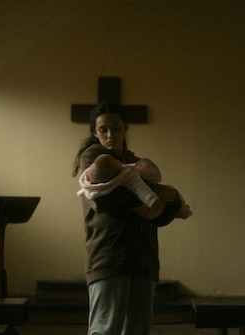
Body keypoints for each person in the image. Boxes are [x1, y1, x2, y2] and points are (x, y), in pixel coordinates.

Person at [72, 102, 187, 335]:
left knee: (138, 330)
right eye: (103, 129)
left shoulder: (140, 165)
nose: (110, 134)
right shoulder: (94, 159)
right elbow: (102, 198)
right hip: (109, 257)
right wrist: (143, 199)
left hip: (144, 260)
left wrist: (173, 200)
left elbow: (157, 212)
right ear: (95, 131)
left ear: (126, 128)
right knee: (105, 330)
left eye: (116, 128)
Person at [77, 154, 192, 220]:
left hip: (142, 231)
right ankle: (182, 209)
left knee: (170, 192)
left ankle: (180, 208)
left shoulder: (94, 179)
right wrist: (152, 200)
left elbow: (90, 192)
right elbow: (140, 188)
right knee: (170, 192)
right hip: (149, 207)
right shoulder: (126, 175)